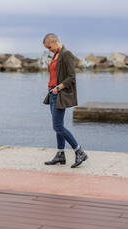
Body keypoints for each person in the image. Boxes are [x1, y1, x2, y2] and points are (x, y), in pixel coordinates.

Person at [42, 33, 88, 168]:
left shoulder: (66, 54)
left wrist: (58, 87)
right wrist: (51, 86)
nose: (48, 50)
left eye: (49, 47)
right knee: (58, 125)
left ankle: (79, 151)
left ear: (55, 41)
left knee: (57, 126)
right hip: (52, 93)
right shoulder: (56, 54)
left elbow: (72, 77)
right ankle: (60, 154)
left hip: (59, 94)